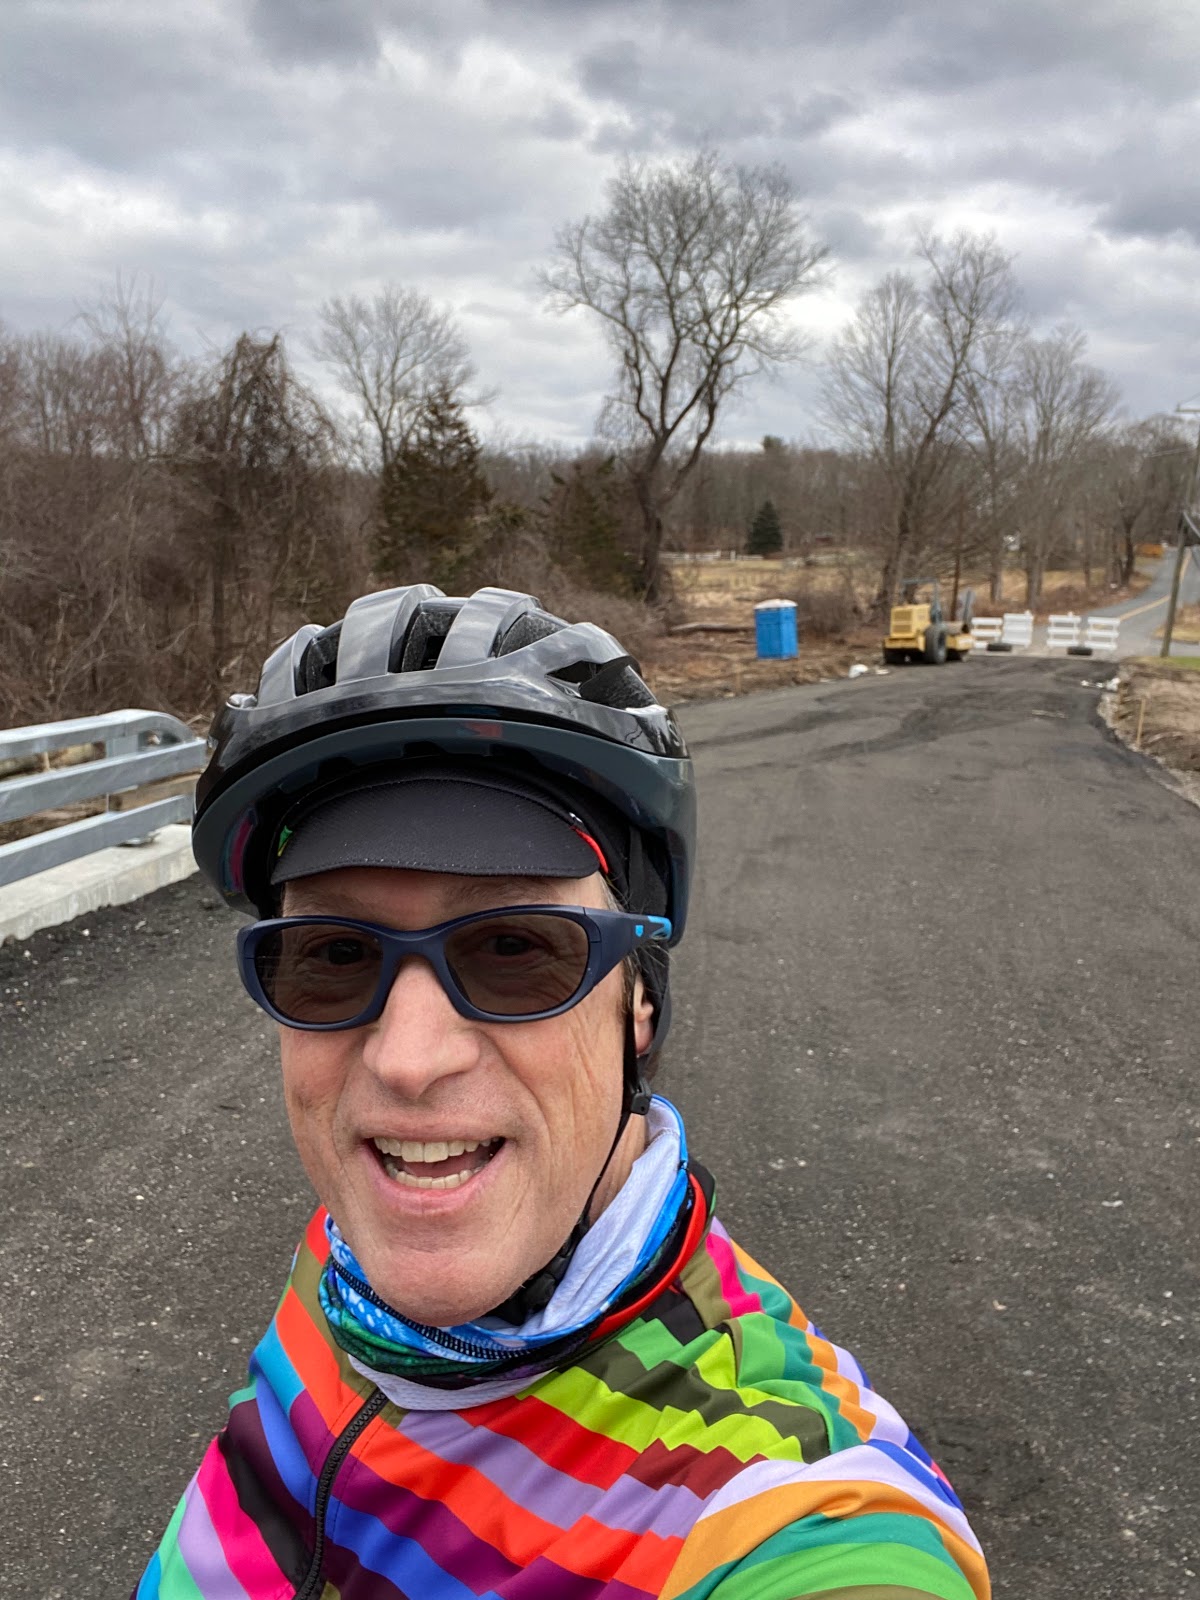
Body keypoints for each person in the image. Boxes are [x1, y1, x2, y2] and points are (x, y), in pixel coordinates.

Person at [135, 584, 990, 1600]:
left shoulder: (779, 1504)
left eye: (513, 949)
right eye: (334, 954)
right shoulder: (352, 1250)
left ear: (640, 1003)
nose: (407, 1060)